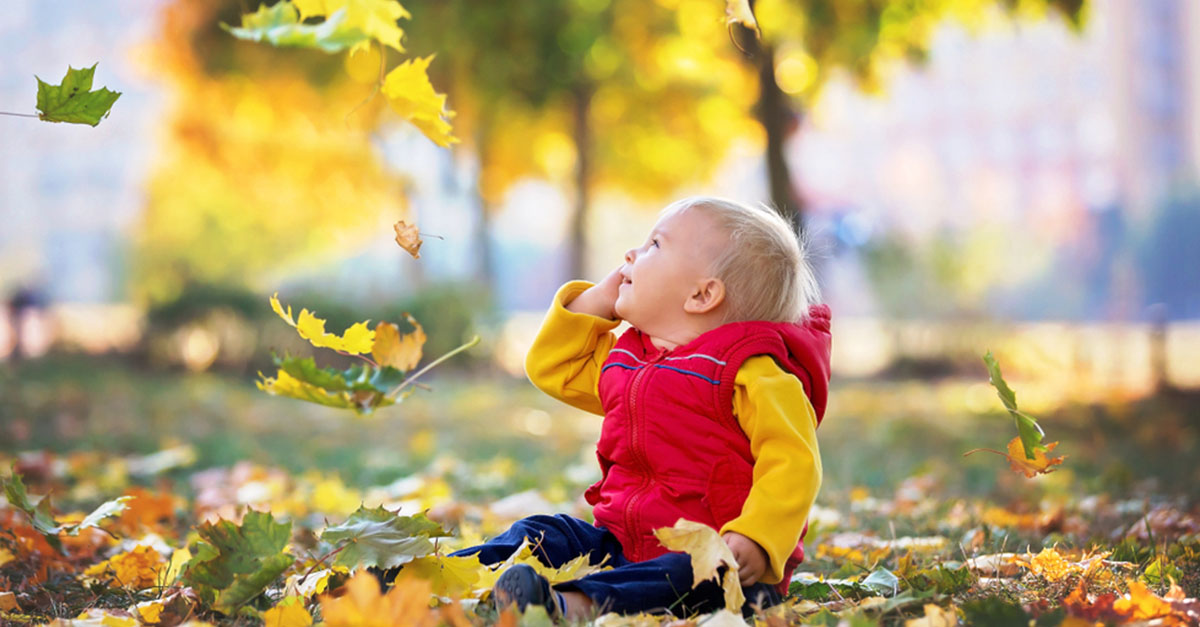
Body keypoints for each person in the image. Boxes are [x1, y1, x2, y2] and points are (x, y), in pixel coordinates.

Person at [389, 196, 832, 620]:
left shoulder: (752, 374)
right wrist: (598, 301)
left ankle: (566, 607)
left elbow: (794, 462)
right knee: (548, 531)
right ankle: (422, 580)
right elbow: (552, 366)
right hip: (621, 542)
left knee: (693, 575)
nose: (632, 254)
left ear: (702, 296)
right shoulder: (630, 361)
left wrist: (757, 537)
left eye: (655, 245)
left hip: (721, 563)